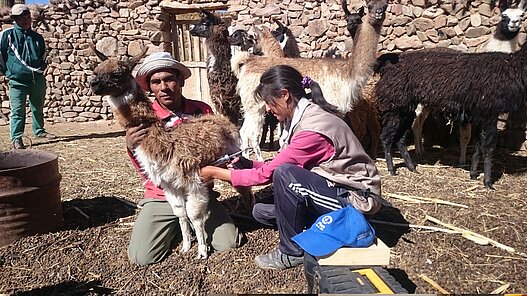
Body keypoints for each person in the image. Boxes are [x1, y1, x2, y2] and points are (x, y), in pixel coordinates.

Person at [201, 64, 384, 270]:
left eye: (269, 103)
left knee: (285, 175)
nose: (268, 109)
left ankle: (291, 252)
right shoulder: (301, 118)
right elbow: (277, 164)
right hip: (331, 187)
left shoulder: (313, 129)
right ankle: (321, 227)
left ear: (284, 94)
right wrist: (246, 164)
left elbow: (272, 173)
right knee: (261, 211)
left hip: (356, 199)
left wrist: (214, 172)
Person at [126, 51, 244, 266]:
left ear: (180, 80)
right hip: (162, 194)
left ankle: (193, 225)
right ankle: (179, 226)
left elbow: (214, 151)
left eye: (169, 79)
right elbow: (145, 169)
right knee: (141, 257)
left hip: (196, 189)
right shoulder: (145, 119)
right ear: (150, 87)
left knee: (229, 243)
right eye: (156, 82)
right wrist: (130, 146)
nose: (163, 87)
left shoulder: (201, 110)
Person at [0, 4, 55, 149]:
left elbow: (43, 55)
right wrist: (6, 72)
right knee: (17, 111)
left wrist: (41, 69)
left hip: (37, 79)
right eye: (21, 17)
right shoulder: (7, 36)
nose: (25, 20)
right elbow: (0, 55)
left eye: (27, 16)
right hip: (17, 81)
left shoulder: (37, 37)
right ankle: (16, 139)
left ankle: (39, 131)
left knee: (38, 107)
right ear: (14, 19)